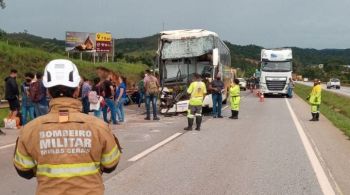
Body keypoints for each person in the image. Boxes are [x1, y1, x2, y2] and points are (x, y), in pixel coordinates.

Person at [13, 59, 121, 195]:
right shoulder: (99, 126)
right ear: (77, 90)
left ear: (48, 92)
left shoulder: (30, 129)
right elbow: (110, 164)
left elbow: (24, 169)